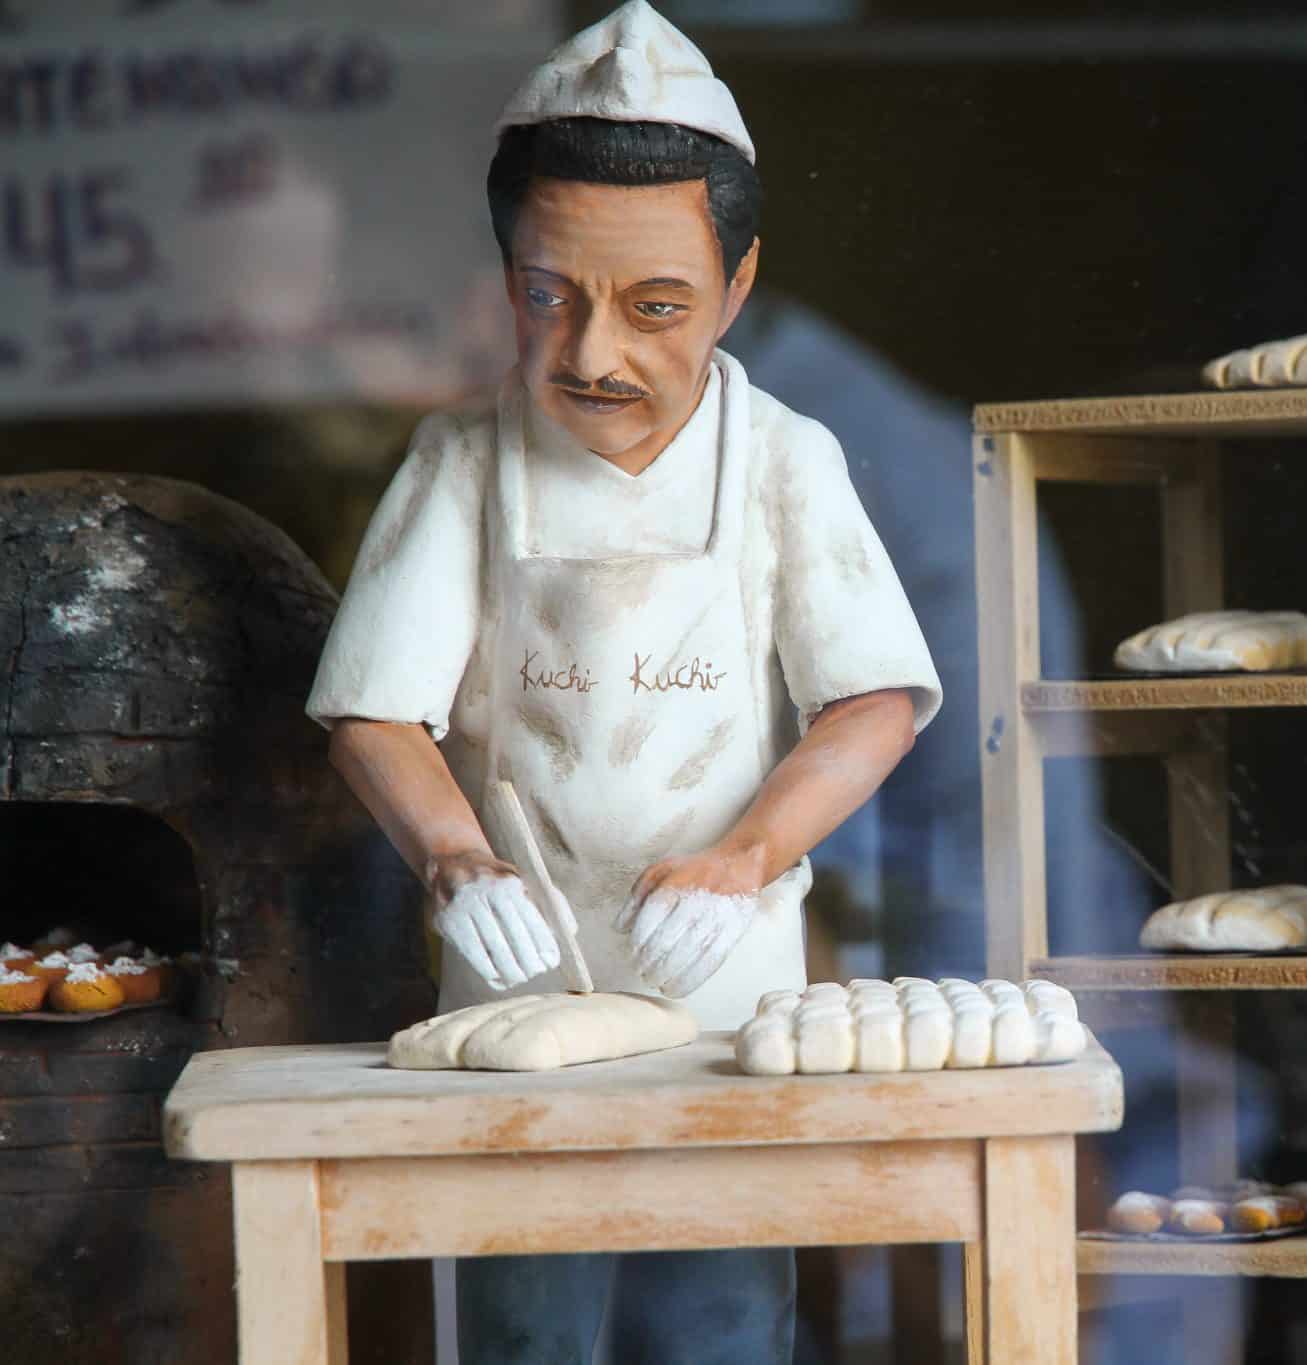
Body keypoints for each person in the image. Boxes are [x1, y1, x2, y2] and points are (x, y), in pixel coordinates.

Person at [305, 6, 940, 1361]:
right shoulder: (462, 463)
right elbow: (375, 708)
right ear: (505, 279)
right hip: (515, 991)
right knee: (528, 1318)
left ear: (739, 283)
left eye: (656, 309)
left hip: (725, 997)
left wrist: (748, 855)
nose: (596, 355)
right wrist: (456, 864)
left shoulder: (785, 461)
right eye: (552, 296)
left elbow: (872, 697)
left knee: (716, 1314)